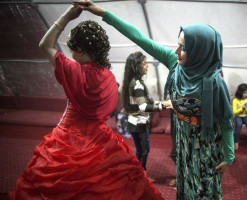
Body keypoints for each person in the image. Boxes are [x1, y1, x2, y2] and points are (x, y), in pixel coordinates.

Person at [73, 1, 235, 199]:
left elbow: (226, 120)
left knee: (203, 190)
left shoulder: (214, 82)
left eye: (183, 48)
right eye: (178, 44)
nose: (176, 51)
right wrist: (104, 13)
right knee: (185, 187)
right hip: (184, 138)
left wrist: (229, 156)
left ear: (200, 50)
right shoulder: (175, 64)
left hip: (206, 144)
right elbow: (140, 38)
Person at [8, 5, 163, 200]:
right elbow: (105, 111)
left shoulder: (73, 70)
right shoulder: (108, 76)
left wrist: (66, 17)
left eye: (73, 51)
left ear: (80, 51)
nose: (72, 55)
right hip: (100, 139)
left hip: (68, 138)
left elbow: (45, 45)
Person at [122, 51, 167, 176]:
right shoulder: (138, 85)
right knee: (145, 150)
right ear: (137, 66)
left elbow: (144, 102)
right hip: (139, 123)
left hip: (132, 122)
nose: (147, 66)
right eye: (145, 63)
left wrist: (161, 103)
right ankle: (141, 175)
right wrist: (164, 105)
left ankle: (138, 174)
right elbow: (143, 106)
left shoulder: (132, 82)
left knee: (140, 150)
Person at [232, 83, 247, 151]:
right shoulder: (235, 100)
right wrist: (242, 108)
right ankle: (236, 142)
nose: (246, 94)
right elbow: (234, 112)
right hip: (238, 116)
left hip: (246, 116)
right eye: (244, 93)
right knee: (238, 126)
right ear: (240, 92)